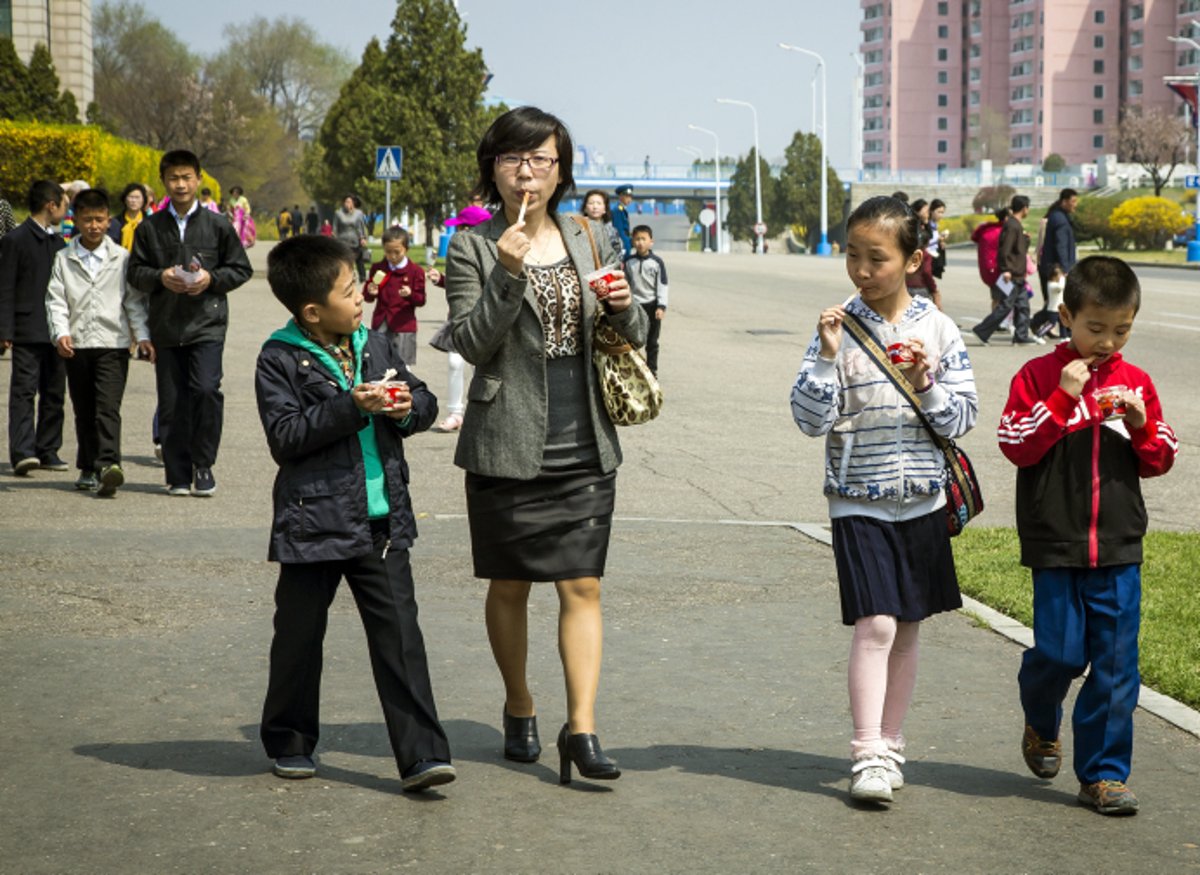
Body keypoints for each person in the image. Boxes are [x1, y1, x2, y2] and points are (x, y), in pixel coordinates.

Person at [445, 106, 648, 784]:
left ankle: (582, 728)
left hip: (584, 438)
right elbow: (472, 343)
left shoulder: (591, 235)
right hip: (506, 438)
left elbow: (636, 330)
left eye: (541, 159)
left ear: (560, 171)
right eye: (512, 158)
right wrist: (507, 272)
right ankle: (519, 703)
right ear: (493, 168)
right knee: (509, 584)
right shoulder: (471, 245)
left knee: (582, 583)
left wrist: (623, 304)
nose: (526, 170)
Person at [790, 195, 978, 803]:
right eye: (852, 256)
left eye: (877, 258)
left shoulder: (940, 329)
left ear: (912, 259)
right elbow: (808, 420)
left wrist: (926, 382)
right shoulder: (837, 328)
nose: (862, 271)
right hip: (857, 499)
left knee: (909, 627)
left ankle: (893, 744)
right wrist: (823, 358)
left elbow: (962, 418)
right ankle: (867, 751)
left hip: (922, 499)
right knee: (875, 623)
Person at [255, 234, 454, 792]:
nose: (361, 296)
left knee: (401, 640)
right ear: (313, 311)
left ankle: (422, 756)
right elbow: (286, 436)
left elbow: (425, 402)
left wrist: (410, 406)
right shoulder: (279, 357)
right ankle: (290, 741)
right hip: (311, 522)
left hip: (381, 520)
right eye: (349, 290)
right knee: (298, 637)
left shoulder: (377, 343)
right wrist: (351, 406)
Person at [997, 255, 1177, 815]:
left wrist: (1143, 424)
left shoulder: (1135, 382)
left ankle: (1102, 775)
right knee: (1057, 654)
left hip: (1119, 546)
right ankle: (1041, 718)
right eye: (1095, 328)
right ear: (1066, 316)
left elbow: (1162, 457)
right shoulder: (1036, 377)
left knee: (1119, 667)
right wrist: (1062, 399)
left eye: (1121, 330)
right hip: (1056, 544)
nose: (1107, 342)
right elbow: (1015, 443)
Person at [127, 149, 253, 497]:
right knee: (172, 402)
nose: (180, 184)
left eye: (186, 178)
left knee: (206, 391)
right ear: (163, 181)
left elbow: (240, 268)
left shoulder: (218, 225)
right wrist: (160, 276)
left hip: (207, 325)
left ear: (198, 179)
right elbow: (135, 272)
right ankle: (178, 473)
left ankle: (204, 465)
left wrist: (211, 279)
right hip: (166, 328)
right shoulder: (150, 227)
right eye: (173, 178)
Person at [45, 189, 154, 496]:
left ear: (109, 221)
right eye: (87, 219)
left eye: (100, 219)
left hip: (113, 343)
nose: (94, 225)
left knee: (107, 407)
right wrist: (60, 333)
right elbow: (56, 301)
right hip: (76, 344)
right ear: (75, 221)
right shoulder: (63, 259)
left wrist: (142, 337)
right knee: (84, 408)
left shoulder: (121, 258)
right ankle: (88, 466)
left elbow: (133, 302)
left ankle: (108, 465)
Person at [0, 180, 69, 475]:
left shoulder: (59, 243)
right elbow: (5, 288)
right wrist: (5, 331)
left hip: (56, 330)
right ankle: (23, 451)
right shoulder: (15, 239)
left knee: (54, 392)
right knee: (24, 392)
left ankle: (48, 449)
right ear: (50, 205)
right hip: (27, 328)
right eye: (64, 205)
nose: (66, 211)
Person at [426, 203, 492, 433]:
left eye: (460, 227)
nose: (456, 232)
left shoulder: (491, 250)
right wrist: (441, 279)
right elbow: (461, 285)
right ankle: (455, 413)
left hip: (485, 320)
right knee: (455, 363)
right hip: (458, 319)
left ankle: (482, 411)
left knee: (481, 367)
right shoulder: (458, 250)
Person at [971, 195, 1040, 346]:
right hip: (1012, 274)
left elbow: (1017, 249)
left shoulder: (1015, 225)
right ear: (1024, 208)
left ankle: (1021, 336)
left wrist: (1025, 240)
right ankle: (982, 331)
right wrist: (1006, 269)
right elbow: (1004, 250)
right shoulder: (1012, 226)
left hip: (1018, 274)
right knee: (1006, 306)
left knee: (1023, 306)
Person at [363, 227, 426, 366]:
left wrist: (410, 295)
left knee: (403, 369)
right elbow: (367, 297)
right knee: (379, 366)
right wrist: (370, 291)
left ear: (406, 249)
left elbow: (421, 300)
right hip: (381, 324)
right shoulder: (378, 268)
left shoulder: (415, 271)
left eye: (397, 252)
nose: (392, 256)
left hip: (404, 326)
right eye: (388, 252)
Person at [1033, 188, 1079, 339]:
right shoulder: (1059, 218)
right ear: (1064, 201)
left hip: (1055, 266)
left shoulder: (1060, 216)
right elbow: (1060, 245)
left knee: (1058, 301)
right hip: (1057, 268)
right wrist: (1065, 268)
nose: (1075, 205)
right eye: (1073, 201)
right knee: (1055, 302)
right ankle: (1035, 323)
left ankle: (1065, 333)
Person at [625, 224, 669, 375]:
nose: (640, 243)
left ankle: (652, 372)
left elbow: (662, 285)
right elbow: (626, 284)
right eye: (637, 239)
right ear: (632, 241)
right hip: (635, 306)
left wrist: (661, 306)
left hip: (652, 306)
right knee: (633, 340)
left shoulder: (657, 262)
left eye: (644, 239)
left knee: (652, 342)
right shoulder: (629, 262)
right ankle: (634, 371)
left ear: (651, 241)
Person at [906, 199, 941, 310]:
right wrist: (934, 291)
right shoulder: (923, 254)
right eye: (926, 211)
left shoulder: (904, 250)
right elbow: (926, 272)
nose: (928, 214)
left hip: (903, 287)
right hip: (919, 289)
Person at [580, 189, 622, 265]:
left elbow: (617, 253)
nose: (595, 207)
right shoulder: (578, 229)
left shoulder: (611, 231)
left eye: (599, 203)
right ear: (585, 208)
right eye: (591, 203)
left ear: (605, 209)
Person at [333, 195, 369, 281]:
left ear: (353, 203)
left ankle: (362, 277)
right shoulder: (338, 213)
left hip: (355, 240)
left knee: (358, 259)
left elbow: (361, 227)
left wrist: (363, 238)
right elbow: (335, 228)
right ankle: (347, 276)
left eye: (349, 202)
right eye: (345, 202)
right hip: (342, 240)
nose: (346, 204)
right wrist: (334, 238)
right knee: (345, 260)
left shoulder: (358, 213)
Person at [107, 183, 150, 251]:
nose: (133, 201)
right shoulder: (116, 222)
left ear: (143, 200)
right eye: (130, 197)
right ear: (125, 199)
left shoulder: (149, 223)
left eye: (137, 197)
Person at [926, 198, 948, 279]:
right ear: (931, 211)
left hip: (933, 258)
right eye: (939, 212)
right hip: (926, 258)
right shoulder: (926, 225)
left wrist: (940, 242)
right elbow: (924, 243)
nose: (941, 215)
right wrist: (938, 239)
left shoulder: (935, 225)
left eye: (942, 212)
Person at [612, 184, 634, 258]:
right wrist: (626, 245)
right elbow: (618, 230)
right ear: (620, 196)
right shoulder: (618, 210)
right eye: (627, 196)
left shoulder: (622, 209)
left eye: (630, 197)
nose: (629, 199)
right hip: (622, 244)